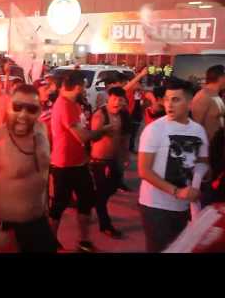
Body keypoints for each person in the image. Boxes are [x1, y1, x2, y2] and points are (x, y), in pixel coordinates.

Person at [0, 84, 57, 253]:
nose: (23, 114)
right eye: (17, 107)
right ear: (8, 107)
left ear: (39, 111)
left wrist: (45, 212)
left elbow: (41, 177)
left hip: (39, 223)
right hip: (6, 229)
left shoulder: (42, 131)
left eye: (31, 109)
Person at [138, 78, 209, 252]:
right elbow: (144, 171)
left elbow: (203, 163)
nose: (169, 104)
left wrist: (199, 181)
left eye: (176, 99)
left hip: (185, 205)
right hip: (156, 205)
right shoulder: (154, 129)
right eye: (167, 99)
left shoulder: (198, 130)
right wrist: (177, 192)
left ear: (190, 102)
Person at [49, 70, 116, 253]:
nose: (85, 91)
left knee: (86, 202)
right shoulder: (64, 106)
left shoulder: (73, 104)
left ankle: (84, 241)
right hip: (64, 165)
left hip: (78, 164)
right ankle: (50, 242)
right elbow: (83, 136)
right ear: (78, 87)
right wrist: (104, 130)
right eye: (84, 88)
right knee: (59, 206)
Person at [89, 87, 131, 239]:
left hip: (115, 160)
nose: (117, 103)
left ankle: (90, 201)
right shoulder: (100, 114)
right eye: (114, 99)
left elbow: (126, 137)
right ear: (108, 99)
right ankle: (105, 224)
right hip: (99, 161)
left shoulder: (124, 115)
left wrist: (126, 157)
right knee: (102, 194)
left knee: (112, 188)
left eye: (120, 100)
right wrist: (103, 130)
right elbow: (92, 136)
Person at [191, 65, 225, 207]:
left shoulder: (217, 96)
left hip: (219, 151)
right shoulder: (203, 96)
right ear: (221, 77)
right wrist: (202, 159)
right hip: (208, 151)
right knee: (207, 193)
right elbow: (195, 129)